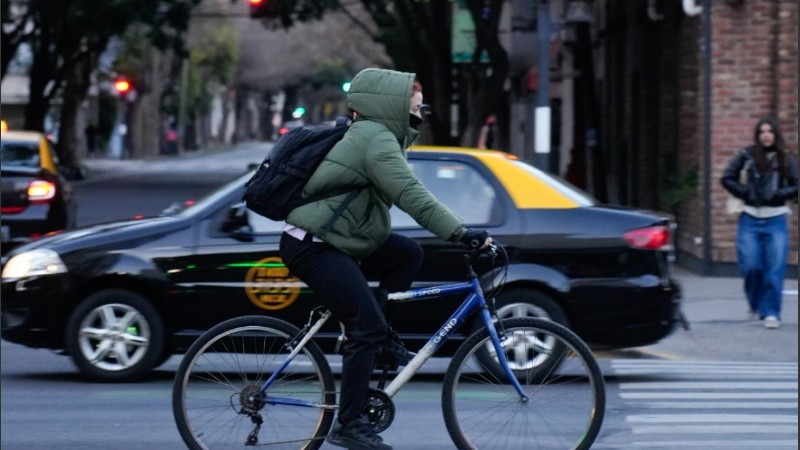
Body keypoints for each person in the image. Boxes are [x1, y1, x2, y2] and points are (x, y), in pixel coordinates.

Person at [279, 68, 491, 450]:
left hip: (339, 239)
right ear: (393, 109)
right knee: (365, 326)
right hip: (314, 245)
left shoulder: (382, 137)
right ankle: (350, 423)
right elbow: (411, 194)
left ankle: (382, 339)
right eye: (414, 108)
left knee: (407, 254)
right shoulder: (374, 140)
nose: (419, 114)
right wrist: (461, 232)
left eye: (420, 107)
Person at [720, 117, 797, 329]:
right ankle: (755, 303)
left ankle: (771, 312)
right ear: (757, 135)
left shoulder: (786, 158)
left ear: (776, 134)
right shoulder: (747, 155)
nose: (766, 135)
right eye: (762, 131)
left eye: (770, 131)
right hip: (750, 218)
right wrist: (747, 193)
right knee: (751, 266)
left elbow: (796, 186)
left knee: (775, 268)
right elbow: (727, 178)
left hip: (776, 218)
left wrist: (778, 194)